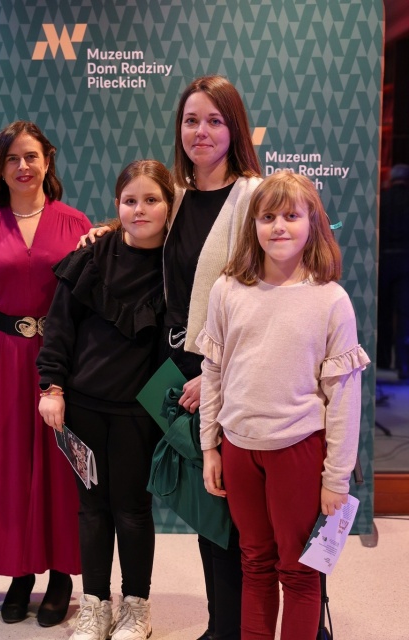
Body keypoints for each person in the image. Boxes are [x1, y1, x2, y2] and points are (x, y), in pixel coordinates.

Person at [83, 75, 262, 640]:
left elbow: (266, 297)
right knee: (208, 507)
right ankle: (221, 624)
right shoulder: (178, 198)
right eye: (190, 120)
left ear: (235, 128)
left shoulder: (255, 198)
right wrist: (107, 229)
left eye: (214, 120)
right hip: (177, 374)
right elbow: (144, 226)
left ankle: (251, 626)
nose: (201, 131)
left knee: (242, 513)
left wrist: (217, 377)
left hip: (229, 376)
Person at [196, 172, 370, 639]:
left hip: (298, 449)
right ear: (252, 224)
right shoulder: (227, 290)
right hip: (238, 448)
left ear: (313, 223)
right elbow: (213, 373)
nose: (278, 226)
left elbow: (344, 399)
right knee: (254, 562)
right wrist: (210, 446)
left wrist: (335, 478)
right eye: (267, 216)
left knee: (298, 569)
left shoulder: (331, 300)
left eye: (291, 216)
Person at [0, 120, 91, 627]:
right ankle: (19, 574)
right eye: (12, 158)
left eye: (31, 156)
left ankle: (60, 576)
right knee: (9, 471)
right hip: (1, 358)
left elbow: (87, 303)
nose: (23, 166)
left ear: (47, 161)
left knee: (60, 469)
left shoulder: (75, 223)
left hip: (61, 359)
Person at [38, 160, 172, 640]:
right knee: (92, 509)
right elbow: (59, 327)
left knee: (132, 509)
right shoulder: (92, 255)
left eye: (151, 200)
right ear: (118, 205)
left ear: (169, 206)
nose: (140, 209)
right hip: (84, 406)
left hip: (140, 412)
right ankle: (94, 605)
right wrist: (51, 388)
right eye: (130, 200)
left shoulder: (177, 266)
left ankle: (137, 607)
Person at [377, 163, 409, 379]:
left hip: (383, 261)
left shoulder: (382, 200)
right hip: (406, 263)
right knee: (405, 316)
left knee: (383, 313)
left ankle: (382, 361)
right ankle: (403, 365)